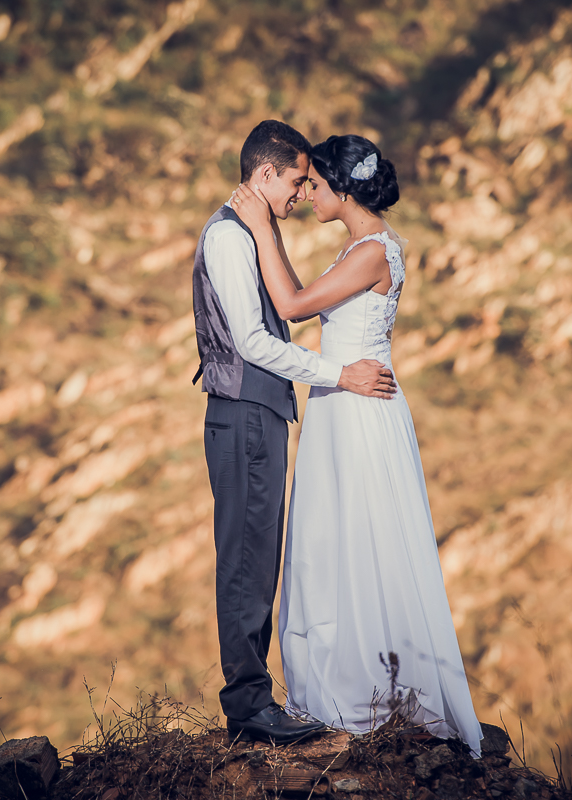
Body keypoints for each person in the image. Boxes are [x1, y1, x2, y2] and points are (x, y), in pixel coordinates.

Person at [231, 134, 483, 756]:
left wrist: (260, 226)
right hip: (341, 402)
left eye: (315, 184)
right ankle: (346, 678)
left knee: (359, 534)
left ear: (343, 190)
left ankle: (372, 685)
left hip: (358, 407)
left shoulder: (372, 251)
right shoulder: (364, 247)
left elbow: (289, 305)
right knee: (334, 535)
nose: (308, 193)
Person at [191, 120, 398, 746]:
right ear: (265, 175)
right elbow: (253, 341)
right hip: (245, 411)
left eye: (309, 183)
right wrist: (337, 374)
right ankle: (250, 706)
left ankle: (253, 700)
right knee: (247, 559)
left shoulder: (252, 231)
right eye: (295, 181)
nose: (299, 194)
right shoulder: (230, 239)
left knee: (258, 554)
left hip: (259, 412)